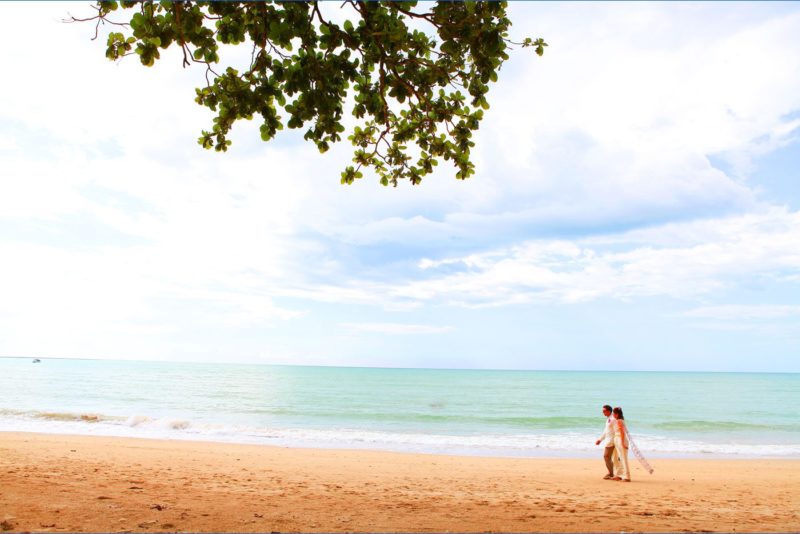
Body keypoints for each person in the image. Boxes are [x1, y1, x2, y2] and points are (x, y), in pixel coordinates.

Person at [595, 404, 619, 480]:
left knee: (606, 456)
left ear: (609, 411)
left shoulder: (613, 419)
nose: (603, 412)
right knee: (609, 457)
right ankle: (612, 473)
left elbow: (617, 431)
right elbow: (606, 431)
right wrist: (600, 439)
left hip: (611, 441)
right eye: (603, 411)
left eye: (604, 411)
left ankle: (611, 473)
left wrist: (615, 442)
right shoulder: (609, 418)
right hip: (608, 440)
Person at [612, 406, 631, 482]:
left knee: (623, 458)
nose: (613, 415)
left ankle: (627, 477)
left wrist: (622, 443)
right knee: (619, 458)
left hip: (620, 439)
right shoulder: (619, 420)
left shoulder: (619, 421)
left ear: (616, 414)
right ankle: (619, 475)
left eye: (613, 413)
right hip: (617, 439)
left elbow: (622, 432)